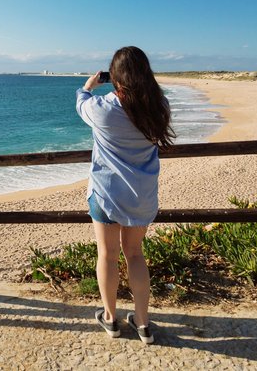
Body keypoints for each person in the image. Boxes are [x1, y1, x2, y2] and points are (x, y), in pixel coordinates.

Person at [76, 46, 174, 344]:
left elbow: (81, 104)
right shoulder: (160, 107)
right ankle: (143, 324)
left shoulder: (103, 108)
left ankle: (110, 318)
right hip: (141, 195)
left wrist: (88, 86)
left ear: (115, 76)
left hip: (106, 193)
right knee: (135, 255)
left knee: (107, 254)